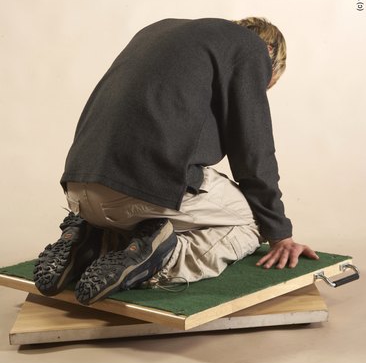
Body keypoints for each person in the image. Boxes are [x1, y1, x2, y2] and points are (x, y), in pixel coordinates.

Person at [33, 17, 318, 305]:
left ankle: (93, 242)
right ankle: (160, 260)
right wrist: (280, 234)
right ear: (270, 53)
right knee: (256, 221)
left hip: (79, 192)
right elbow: (254, 153)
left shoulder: (160, 32)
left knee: (163, 206)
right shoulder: (253, 50)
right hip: (135, 196)